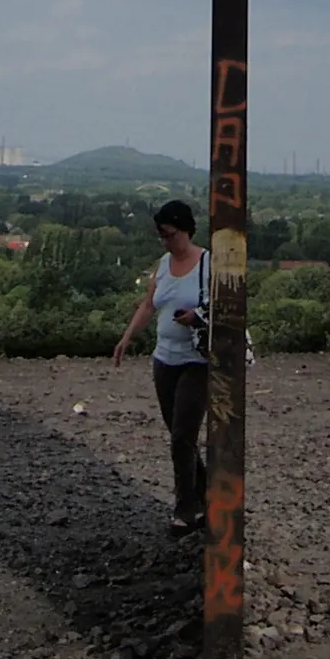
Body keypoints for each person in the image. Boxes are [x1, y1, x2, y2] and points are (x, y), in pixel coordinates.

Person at [111, 198, 207, 531]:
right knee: (180, 435)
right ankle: (206, 495)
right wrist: (127, 338)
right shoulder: (164, 263)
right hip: (164, 359)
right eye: (161, 236)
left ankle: (185, 510)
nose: (165, 241)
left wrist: (198, 317)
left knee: (182, 436)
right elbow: (149, 305)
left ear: (185, 230)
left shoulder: (208, 263)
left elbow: (226, 307)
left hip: (197, 361)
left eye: (169, 234)